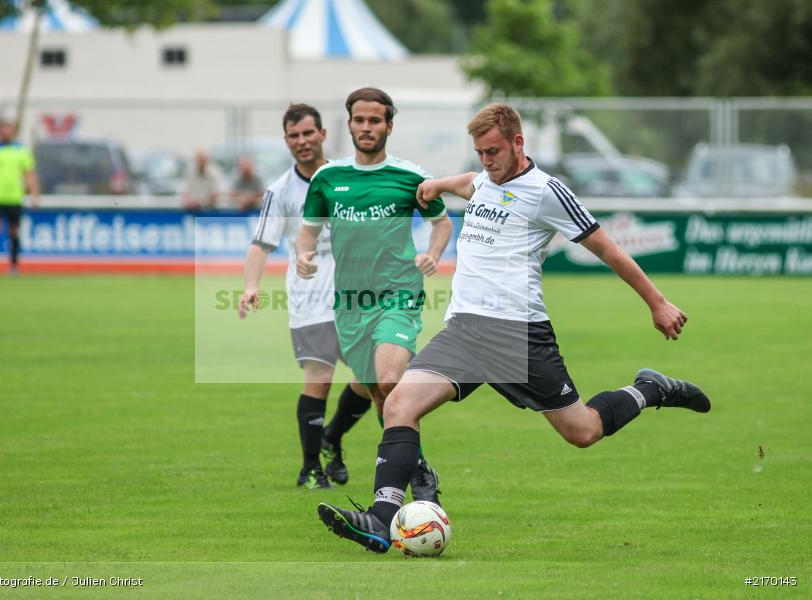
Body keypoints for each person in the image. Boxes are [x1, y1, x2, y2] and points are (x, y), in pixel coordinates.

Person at [316, 103, 711, 553]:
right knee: (399, 403)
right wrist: (439, 183)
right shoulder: (485, 177)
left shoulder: (547, 191)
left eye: (494, 152)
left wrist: (656, 303)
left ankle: (651, 389)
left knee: (582, 431)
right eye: (480, 153)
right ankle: (380, 518)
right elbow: (472, 183)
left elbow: (608, 249)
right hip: (464, 331)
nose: (487, 161)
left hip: (519, 337)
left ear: (518, 143)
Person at [296, 87, 455, 504]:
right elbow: (308, 231)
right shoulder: (327, 179)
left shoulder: (409, 177)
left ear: (389, 125)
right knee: (380, 394)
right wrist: (302, 256)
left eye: (375, 121)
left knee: (389, 380)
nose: (367, 128)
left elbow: (442, 224)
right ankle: (417, 469)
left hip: (397, 294)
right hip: (350, 305)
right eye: (360, 120)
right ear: (349, 125)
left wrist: (433, 254)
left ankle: (417, 482)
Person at [238, 103, 372, 489]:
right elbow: (260, 244)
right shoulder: (280, 192)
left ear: (323, 135)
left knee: (374, 377)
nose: (302, 142)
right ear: (286, 141)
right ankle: (311, 469)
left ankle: (332, 437)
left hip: (356, 296)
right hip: (310, 299)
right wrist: (251, 286)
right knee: (319, 380)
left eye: (308, 133)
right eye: (294, 136)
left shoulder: (347, 176)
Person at [0, 118, 39, 275]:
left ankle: (14, 266)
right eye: (3, 128)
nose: (6, 131)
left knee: (14, 232)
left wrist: (34, 194)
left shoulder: (21, 150)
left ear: (13, 131)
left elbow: (29, 173)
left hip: (15, 197)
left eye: (9, 128)